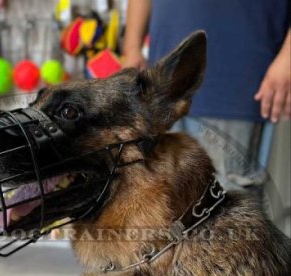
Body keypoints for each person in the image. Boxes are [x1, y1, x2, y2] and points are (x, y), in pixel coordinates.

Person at [123, 0, 291, 191]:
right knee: (167, 197)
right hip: (162, 81)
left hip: (237, 76)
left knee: (225, 199)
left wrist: (288, 58)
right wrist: (132, 47)